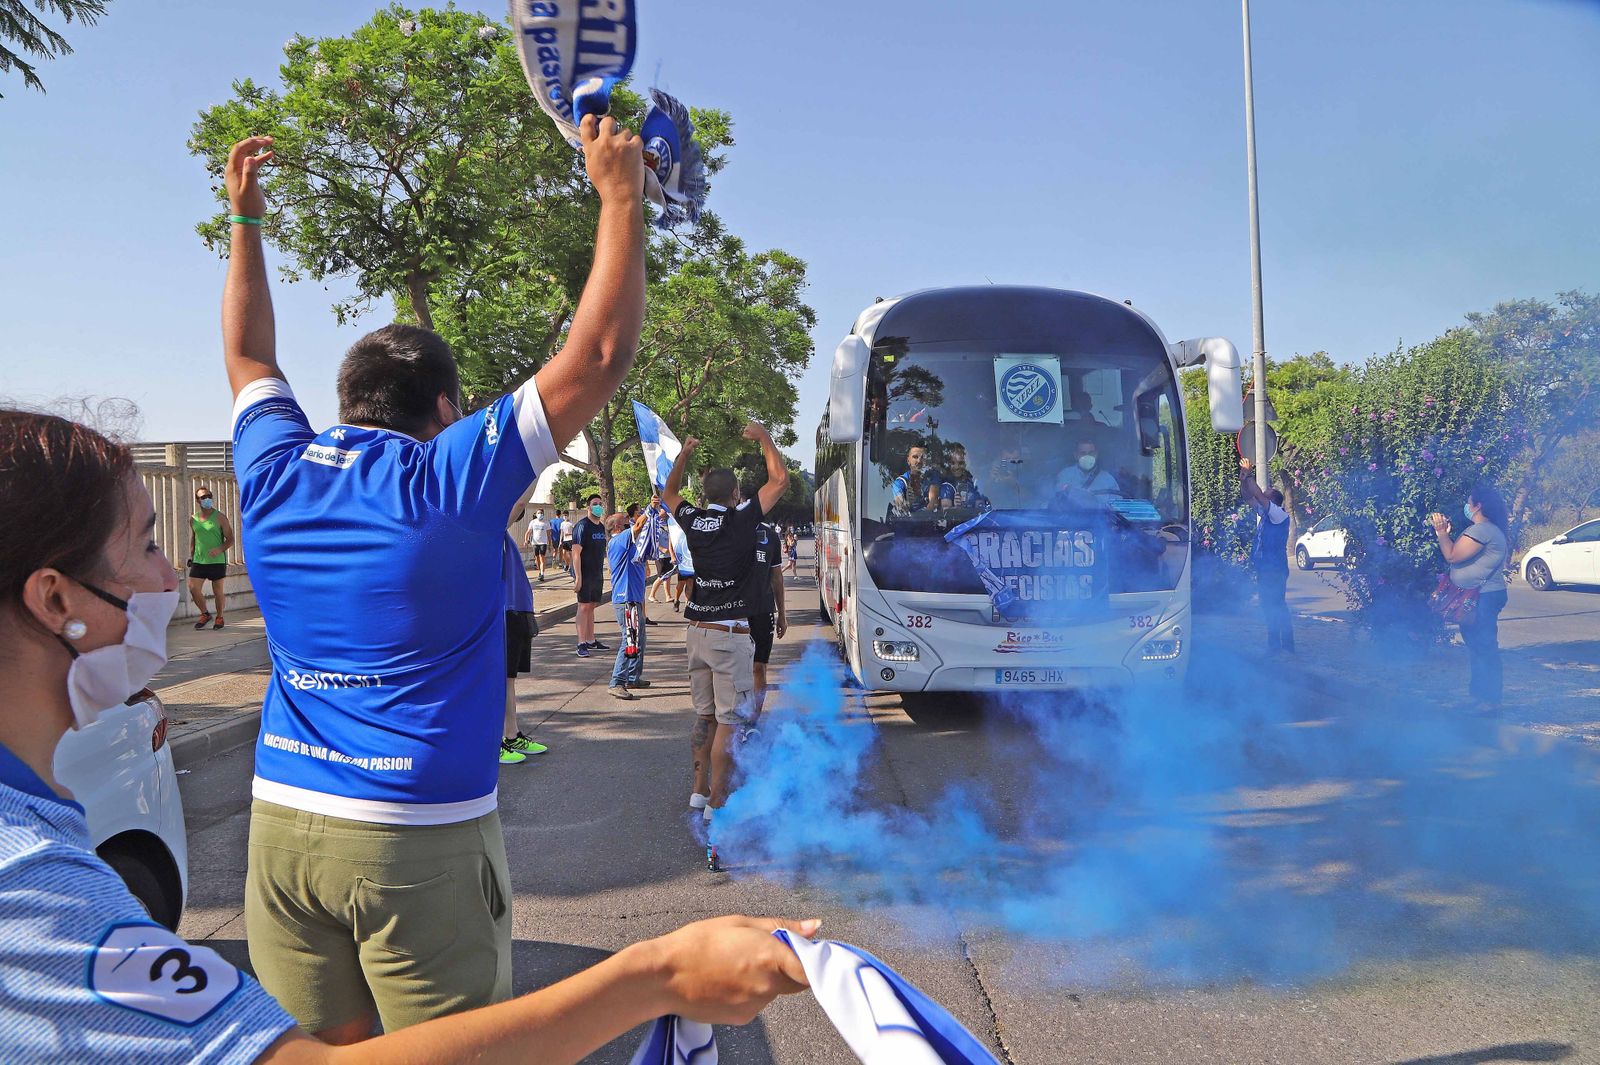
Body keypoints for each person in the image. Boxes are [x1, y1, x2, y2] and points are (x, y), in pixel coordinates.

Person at [0, 408, 818, 1065]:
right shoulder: (28, 885)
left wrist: (247, 222)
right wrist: (657, 974)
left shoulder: (39, 827)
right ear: (52, 597)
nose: (173, 578)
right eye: (145, 544)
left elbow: (250, 362)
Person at [216, 122, 647, 1040]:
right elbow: (599, 356)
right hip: (417, 836)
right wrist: (620, 197)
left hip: (282, 827)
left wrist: (246, 223)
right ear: (446, 409)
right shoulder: (447, 477)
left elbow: (250, 357)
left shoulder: (276, 468)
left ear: (346, 400)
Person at [662, 423, 789, 826]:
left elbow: (668, 494)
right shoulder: (741, 521)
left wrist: (683, 454)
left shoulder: (694, 521)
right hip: (728, 635)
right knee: (730, 722)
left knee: (704, 717)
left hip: (696, 632)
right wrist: (765, 438)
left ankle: (698, 792)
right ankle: (719, 803)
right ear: (735, 495)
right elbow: (780, 480)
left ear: (705, 496)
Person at [1430, 483, 1511, 707]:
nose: (1467, 506)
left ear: (1478, 506)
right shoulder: (1489, 529)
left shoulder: (1482, 530)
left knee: (1483, 647)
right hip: (1482, 596)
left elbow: (1452, 555)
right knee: (1478, 647)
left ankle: (1489, 701)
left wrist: (1440, 533)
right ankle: (1481, 697)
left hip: (1482, 597)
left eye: (1469, 502)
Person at [501, 511, 548, 764]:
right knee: (497, 681)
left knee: (508, 680)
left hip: (517, 610)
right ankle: (492, 742)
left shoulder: (502, 532)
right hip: (503, 611)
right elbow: (517, 501)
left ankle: (511, 734)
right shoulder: (489, 523)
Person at [1239, 457, 1294, 652]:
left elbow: (1255, 494)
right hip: (1266, 568)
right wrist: (1244, 476)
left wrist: (1249, 472)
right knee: (1268, 605)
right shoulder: (1266, 513)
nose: (1263, 494)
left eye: (1266, 494)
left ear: (1273, 501)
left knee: (1276, 605)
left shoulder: (1278, 514)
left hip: (1275, 569)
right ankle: (1277, 645)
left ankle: (1284, 645)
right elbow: (1247, 496)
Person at [606, 510, 651, 698]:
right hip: (626, 599)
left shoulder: (625, 541)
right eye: (625, 520)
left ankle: (632, 677)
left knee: (638, 639)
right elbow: (639, 526)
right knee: (630, 639)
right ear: (617, 527)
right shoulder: (618, 540)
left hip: (632, 598)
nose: (629, 521)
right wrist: (650, 510)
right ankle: (616, 681)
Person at [747, 518, 789, 723]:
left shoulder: (770, 536)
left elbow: (777, 577)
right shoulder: (728, 530)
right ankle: (731, 718)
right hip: (733, 612)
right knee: (731, 669)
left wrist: (782, 613)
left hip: (763, 611)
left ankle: (754, 719)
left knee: (758, 666)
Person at [185, 483, 235, 629]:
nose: (206, 499)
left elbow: (231, 539)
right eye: (203, 497)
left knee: (217, 591)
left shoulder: (220, 517)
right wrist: (192, 556)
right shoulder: (193, 519)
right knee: (193, 588)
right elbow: (194, 538)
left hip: (217, 560)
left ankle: (220, 617)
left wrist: (220, 549)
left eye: (209, 496)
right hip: (199, 560)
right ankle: (205, 613)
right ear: (197, 500)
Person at [571, 494, 610, 658]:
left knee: (592, 605)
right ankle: (581, 642)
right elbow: (576, 554)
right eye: (595, 504)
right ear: (588, 507)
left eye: (600, 504)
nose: (598, 506)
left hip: (597, 573)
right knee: (584, 606)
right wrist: (578, 577)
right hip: (585, 574)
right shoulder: (582, 526)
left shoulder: (600, 527)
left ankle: (590, 639)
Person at [1054, 440, 1120, 501]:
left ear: (1096, 454)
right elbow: (1058, 501)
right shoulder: (1065, 475)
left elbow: (1117, 507)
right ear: (1076, 455)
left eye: (1091, 453)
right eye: (1083, 453)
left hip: (1099, 514)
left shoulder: (1108, 479)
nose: (1087, 456)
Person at [937, 445, 988, 512]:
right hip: (960, 522)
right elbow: (945, 512)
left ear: (967, 463)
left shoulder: (974, 483)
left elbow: (983, 508)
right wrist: (956, 508)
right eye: (953, 463)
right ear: (949, 464)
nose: (956, 467)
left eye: (961, 463)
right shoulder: (947, 486)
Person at [891, 445, 939, 515]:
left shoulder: (932, 477)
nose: (919, 461)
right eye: (915, 457)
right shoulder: (900, 482)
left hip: (928, 521)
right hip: (907, 524)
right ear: (908, 461)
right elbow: (900, 506)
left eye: (922, 457)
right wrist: (907, 502)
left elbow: (933, 502)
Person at [669, 515, 694, 613]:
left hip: (690, 560)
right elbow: (671, 544)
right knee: (681, 584)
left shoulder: (690, 527)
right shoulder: (675, 529)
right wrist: (672, 556)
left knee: (690, 583)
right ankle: (676, 600)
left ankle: (688, 607)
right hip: (681, 560)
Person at [523, 507, 552, 582]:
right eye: (538, 513)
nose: (540, 514)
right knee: (537, 559)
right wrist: (526, 540)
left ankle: (542, 574)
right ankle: (540, 571)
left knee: (542, 557)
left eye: (541, 513)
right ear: (536, 514)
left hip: (543, 542)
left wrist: (550, 544)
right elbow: (528, 532)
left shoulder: (546, 522)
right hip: (535, 543)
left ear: (543, 514)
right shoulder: (533, 522)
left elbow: (549, 534)